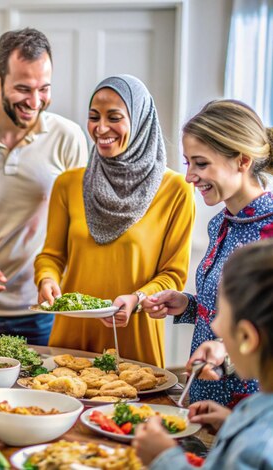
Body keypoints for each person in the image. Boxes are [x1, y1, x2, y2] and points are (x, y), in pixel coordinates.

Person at [35, 75, 195, 367]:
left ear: (141, 120)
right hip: (72, 333)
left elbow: (173, 274)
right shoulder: (68, 184)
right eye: (94, 117)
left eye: (115, 117)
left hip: (133, 333)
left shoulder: (175, 190)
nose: (101, 128)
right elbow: (51, 256)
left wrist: (137, 299)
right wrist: (46, 279)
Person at [0, 28, 88, 345]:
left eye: (44, 89)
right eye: (23, 88)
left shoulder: (69, 138)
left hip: (40, 310)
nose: (35, 102)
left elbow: (79, 226)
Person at [141, 99, 273, 403]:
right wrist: (186, 304)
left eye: (201, 164)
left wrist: (225, 353)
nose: (189, 176)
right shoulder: (221, 224)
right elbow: (233, 308)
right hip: (203, 398)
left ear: (242, 161)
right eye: (188, 163)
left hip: (248, 408)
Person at [133, 239, 273, 469]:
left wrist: (164, 458)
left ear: (247, 338)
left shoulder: (257, 447)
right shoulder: (260, 408)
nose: (214, 327)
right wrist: (232, 424)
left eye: (221, 316)